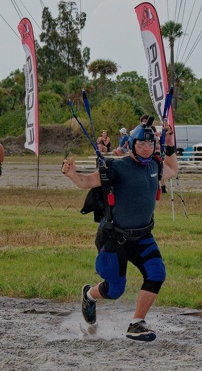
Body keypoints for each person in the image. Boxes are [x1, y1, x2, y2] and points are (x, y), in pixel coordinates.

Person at [62, 121, 179, 342]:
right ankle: (89, 295)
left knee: (157, 273)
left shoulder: (155, 165)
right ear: (132, 145)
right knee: (115, 291)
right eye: (141, 144)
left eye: (150, 143)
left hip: (143, 236)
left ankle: (137, 324)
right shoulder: (118, 167)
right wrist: (72, 174)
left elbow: (173, 169)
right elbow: (87, 182)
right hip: (114, 238)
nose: (146, 148)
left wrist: (170, 142)